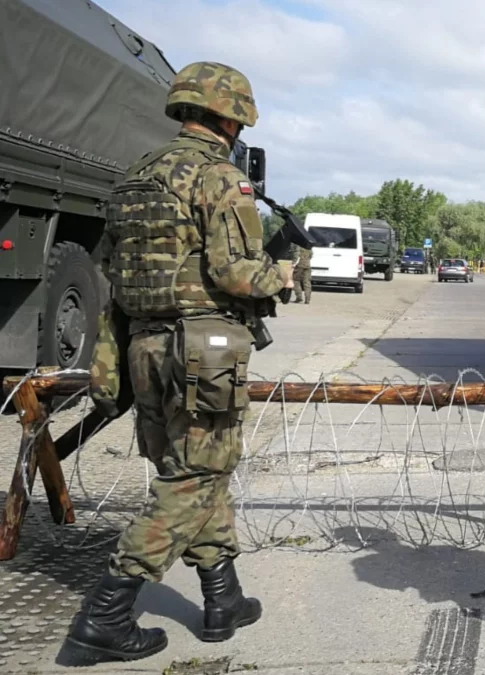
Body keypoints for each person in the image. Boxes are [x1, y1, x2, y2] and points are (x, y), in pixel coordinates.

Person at [70, 61, 292, 662]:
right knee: (192, 477)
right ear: (232, 116)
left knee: (200, 468)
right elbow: (235, 273)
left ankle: (223, 599)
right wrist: (287, 275)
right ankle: (106, 614)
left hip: (142, 344)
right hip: (202, 350)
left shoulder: (135, 177)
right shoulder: (218, 177)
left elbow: (115, 268)